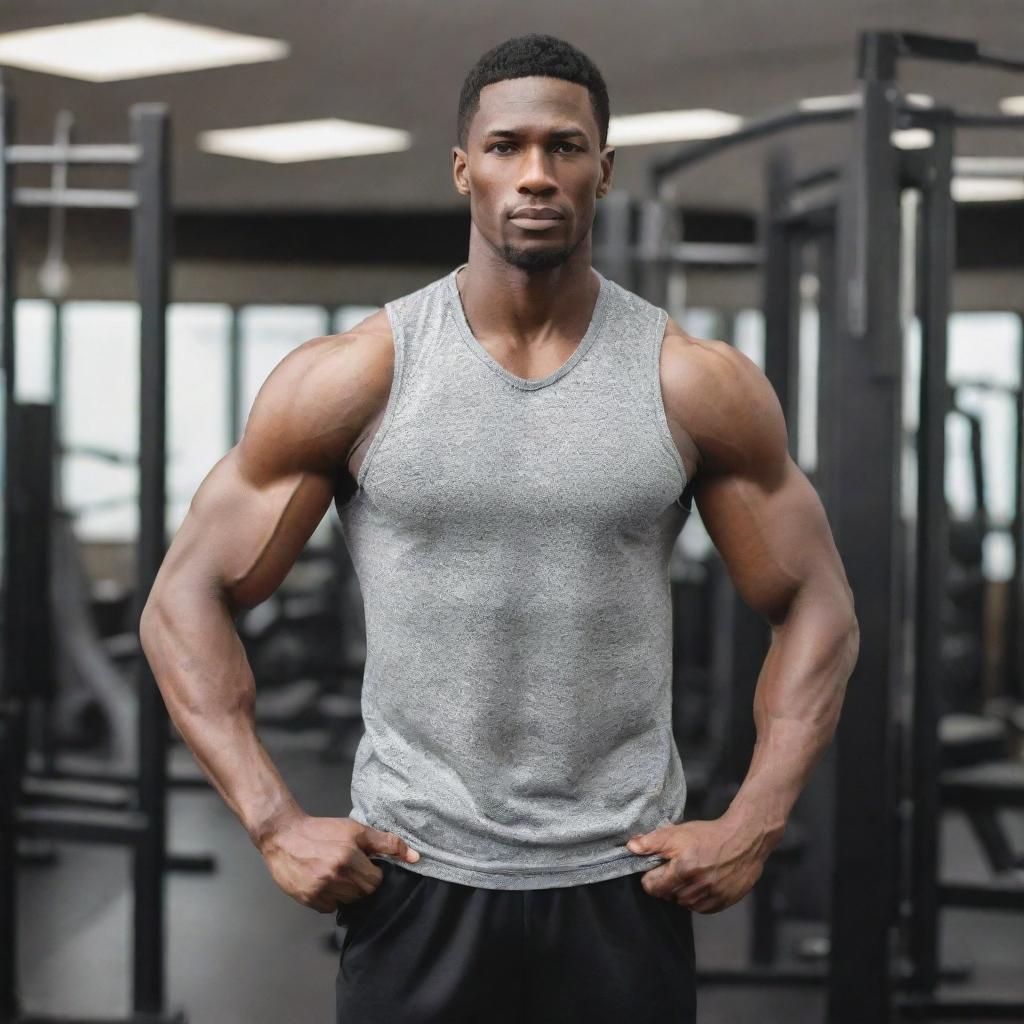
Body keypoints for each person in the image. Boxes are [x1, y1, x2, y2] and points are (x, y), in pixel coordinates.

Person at [140, 32, 859, 1024]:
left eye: (564, 148)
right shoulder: (356, 375)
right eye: (506, 146)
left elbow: (817, 601)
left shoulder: (691, 381)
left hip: (622, 883)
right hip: (415, 878)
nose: (534, 175)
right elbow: (185, 596)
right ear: (462, 169)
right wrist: (273, 822)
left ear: (603, 172)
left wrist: (755, 818)